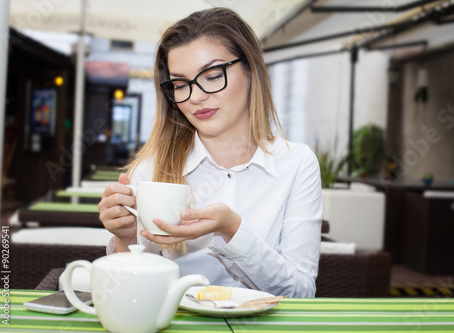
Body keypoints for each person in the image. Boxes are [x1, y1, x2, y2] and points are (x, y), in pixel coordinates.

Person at [98, 7, 322, 298]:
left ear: (250, 70)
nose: (197, 96)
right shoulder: (152, 170)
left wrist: (233, 231)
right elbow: (132, 294)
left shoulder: (297, 163)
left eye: (213, 75)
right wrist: (125, 240)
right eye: (180, 84)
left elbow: (301, 294)